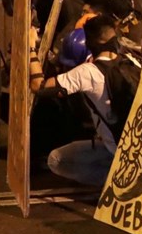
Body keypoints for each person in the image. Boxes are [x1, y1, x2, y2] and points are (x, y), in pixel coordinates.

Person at [29, 14, 120, 186]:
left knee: (56, 160)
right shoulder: (131, 62)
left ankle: (115, 181)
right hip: (141, 149)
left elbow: (38, 86)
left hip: (116, 150)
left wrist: (30, 48)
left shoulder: (88, 72)